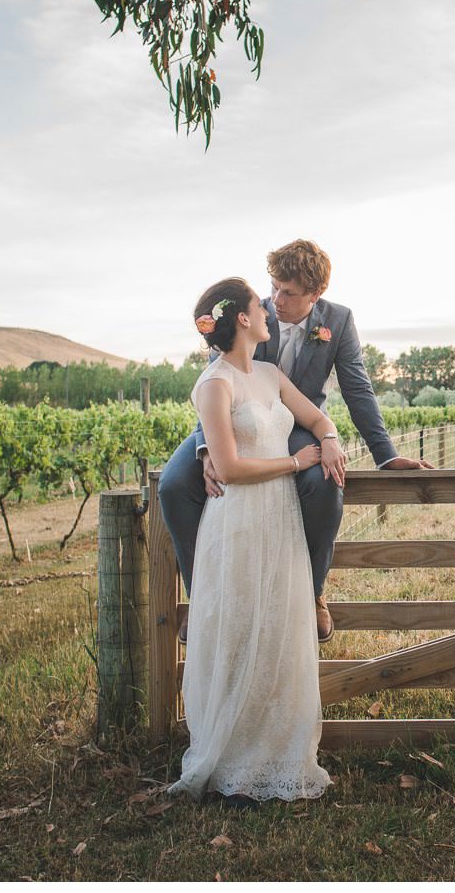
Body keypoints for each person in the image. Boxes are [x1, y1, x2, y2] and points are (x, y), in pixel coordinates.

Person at [160, 239, 433, 644]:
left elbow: (358, 389)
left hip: (294, 422)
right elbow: (213, 382)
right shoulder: (247, 313)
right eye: (273, 287)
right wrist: (206, 451)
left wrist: (383, 455)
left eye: (287, 292)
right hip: (233, 421)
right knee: (173, 486)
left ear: (315, 294)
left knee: (324, 483)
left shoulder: (338, 321)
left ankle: (313, 592)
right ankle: (202, 596)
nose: (275, 299)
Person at [167, 276, 335, 804]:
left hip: (279, 520)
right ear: (242, 319)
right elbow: (232, 468)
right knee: (241, 629)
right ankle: (232, 758)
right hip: (238, 522)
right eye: (258, 308)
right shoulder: (214, 385)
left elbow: (313, 415)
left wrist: (327, 440)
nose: (267, 311)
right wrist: (295, 461)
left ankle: (277, 752)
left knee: (278, 630)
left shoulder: (268, 373)